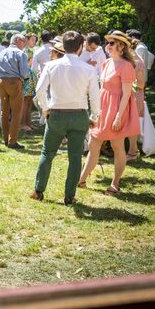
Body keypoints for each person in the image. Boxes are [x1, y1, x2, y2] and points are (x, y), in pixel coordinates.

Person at [30, 31, 100, 205]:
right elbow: (95, 97)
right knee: (75, 157)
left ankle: (38, 191)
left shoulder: (51, 65)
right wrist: (94, 117)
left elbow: (39, 90)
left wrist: (46, 109)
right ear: (80, 47)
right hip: (79, 114)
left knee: (48, 152)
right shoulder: (89, 69)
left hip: (57, 114)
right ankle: (69, 195)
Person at [78, 30, 140, 195]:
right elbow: (101, 89)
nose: (108, 45)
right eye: (108, 42)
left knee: (117, 145)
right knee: (93, 143)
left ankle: (115, 183)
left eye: (112, 43)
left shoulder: (126, 66)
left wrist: (119, 116)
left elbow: (126, 94)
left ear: (121, 46)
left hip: (116, 109)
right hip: (102, 109)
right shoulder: (106, 63)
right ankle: (81, 180)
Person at [0, 34, 29, 149]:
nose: (25, 43)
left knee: (4, 112)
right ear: (18, 41)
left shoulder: (1, 52)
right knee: (16, 113)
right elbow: (25, 73)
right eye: (24, 41)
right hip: (14, 82)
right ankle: (12, 141)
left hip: (1, 81)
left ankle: (5, 138)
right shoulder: (21, 54)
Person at [126, 38, 147, 161]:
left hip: (135, 95)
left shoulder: (137, 61)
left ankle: (133, 151)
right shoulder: (129, 60)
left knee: (132, 123)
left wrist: (128, 83)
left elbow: (141, 84)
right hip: (129, 94)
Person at [21, 33, 38, 131]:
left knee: (29, 101)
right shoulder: (24, 51)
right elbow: (24, 66)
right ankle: (22, 124)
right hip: (27, 78)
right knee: (25, 101)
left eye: (35, 40)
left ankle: (28, 123)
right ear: (26, 40)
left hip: (31, 77)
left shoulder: (31, 50)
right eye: (32, 40)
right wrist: (29, 63)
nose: (34, 42)